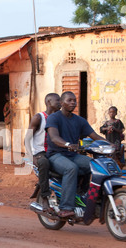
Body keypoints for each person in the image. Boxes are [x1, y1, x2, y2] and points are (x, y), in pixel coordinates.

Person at [46, 91, 108, 221]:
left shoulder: (79, 120)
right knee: (71, 168)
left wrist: (112, 145)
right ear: (62, 103)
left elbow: (95, 136)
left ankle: (84, 196)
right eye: (69, 100)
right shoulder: (54, 118)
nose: (73, 102)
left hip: (72, 155)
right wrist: (68, 144)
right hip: (55, 155)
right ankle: (65, 208)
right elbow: (54, 137)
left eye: (74, 100)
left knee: (94, 165)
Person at [24, 93, 61, 214]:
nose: (60, 103)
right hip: (41, 152)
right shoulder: (39, 117)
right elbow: (27, 138)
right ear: (49, 102)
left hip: (55, 151)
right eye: (58, 100)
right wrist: (31, 156)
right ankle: (45, 198)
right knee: (44, 163)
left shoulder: (60, 118)